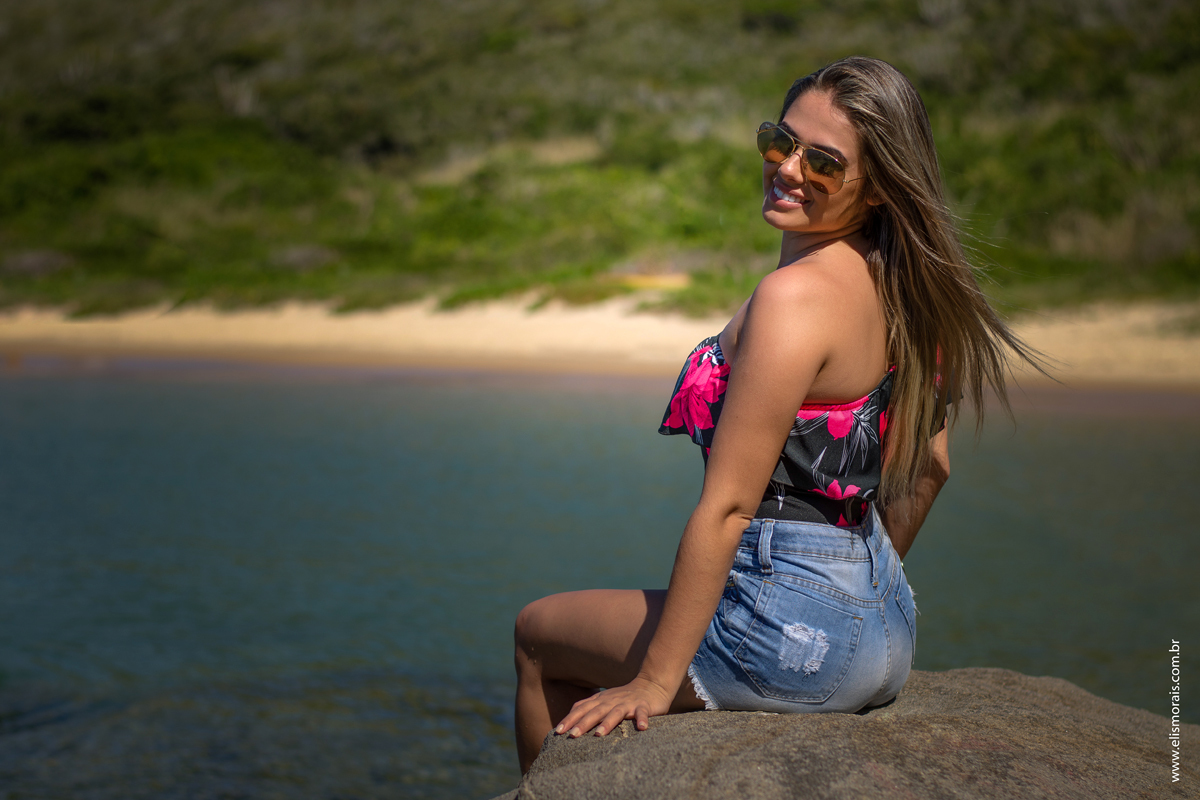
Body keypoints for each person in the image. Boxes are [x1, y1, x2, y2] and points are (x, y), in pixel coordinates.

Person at [512, 55, 1040, 773]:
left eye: (823, 162)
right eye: (779, 141)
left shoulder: (795, 301)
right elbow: (933, 467)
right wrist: (852, 606)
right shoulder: (907, 288)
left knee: (538, 635)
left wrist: (656, 682)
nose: (788, 169)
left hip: (795, 631)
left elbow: (729, 507)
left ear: (878, 188)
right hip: (887, 623)